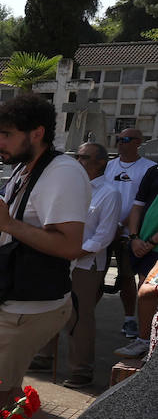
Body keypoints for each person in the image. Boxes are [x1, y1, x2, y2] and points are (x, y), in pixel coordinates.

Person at [0, 92, 90, 412]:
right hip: (16, 300)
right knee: (12, 394)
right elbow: (5, 234)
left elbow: (70, 246)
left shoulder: (62, 173)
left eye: (7, 134)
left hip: (29, 307)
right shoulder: (24, 169)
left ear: (37, 133)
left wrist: (8, 223)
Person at [30, 143, 121, 387]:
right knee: (49, 306)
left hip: (85, 264)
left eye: (84, 157)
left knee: (79, 316)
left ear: (100, 162)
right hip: (59, 257)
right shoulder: (71, 188)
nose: (78, 161)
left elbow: (103, 235)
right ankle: (43, 356)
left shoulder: (109, 193)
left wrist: (73, 251)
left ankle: (81, 369)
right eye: (76, 156)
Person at [106, 127, 155, 340]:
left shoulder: (148, 168)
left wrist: (123, 226)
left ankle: (130, 319)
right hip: (106, 231)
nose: (120, 142)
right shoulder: (109, 166)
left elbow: (141, 204)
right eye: (118, 138)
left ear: (138, 142)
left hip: (129, 234)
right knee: (95, 277)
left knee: (128, 277)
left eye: (125, 139)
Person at [114, 161, 158, 359]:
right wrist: (134, 238)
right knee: (145, 291)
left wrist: (150, 242)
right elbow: (137, 206)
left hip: (150, 245)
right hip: (144, 246)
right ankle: (145, 340)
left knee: (148, 291)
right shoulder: (154, 171)